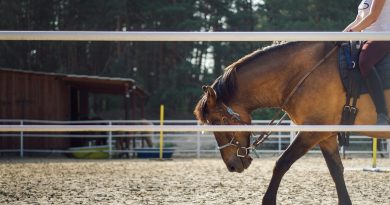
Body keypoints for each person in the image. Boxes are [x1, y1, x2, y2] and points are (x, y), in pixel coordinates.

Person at [344, 0, 390, 125]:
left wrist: (351, 33)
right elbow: (358, 20)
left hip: (383, 37)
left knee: (364, 62)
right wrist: (340, 36)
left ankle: (382, 113)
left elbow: (373, 17)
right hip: (366, 39)